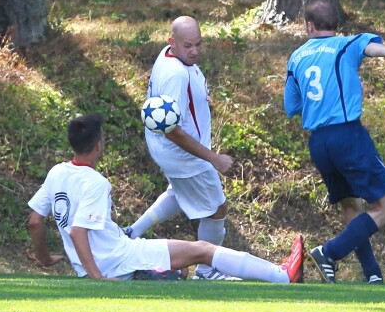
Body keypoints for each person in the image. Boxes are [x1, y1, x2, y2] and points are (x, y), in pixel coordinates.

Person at [28, 113, 305, 283]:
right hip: (119, 258)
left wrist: (45, 258)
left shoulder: (57, 172)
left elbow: (35, 221)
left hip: (111, 258)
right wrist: (97, 279)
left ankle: (153, 275)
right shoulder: (96, 183)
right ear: (99, 145)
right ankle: (281, 275)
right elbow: (78, 232)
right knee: (203, 250)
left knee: (184, 265)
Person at [284, 0, 385, 284]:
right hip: (347, 135)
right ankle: (329, 252)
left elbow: (291, 105)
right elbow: (369, 46)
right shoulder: (345, 44)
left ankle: (372, 274)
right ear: (335, 24)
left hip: (319, 143)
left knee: (350, 205)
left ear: (309, 26)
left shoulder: (296, 57)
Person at [124, 16, 237, 280]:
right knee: (217, 209)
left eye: (198, 44)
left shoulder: (168, 56)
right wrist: (213, 158)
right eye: (188, 46)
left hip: (167, 153)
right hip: (185, 156)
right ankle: (206, 270)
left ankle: (131, 233)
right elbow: (172, 130)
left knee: (178, 192)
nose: (194, 51)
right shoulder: (176, 75)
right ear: (172, 42)